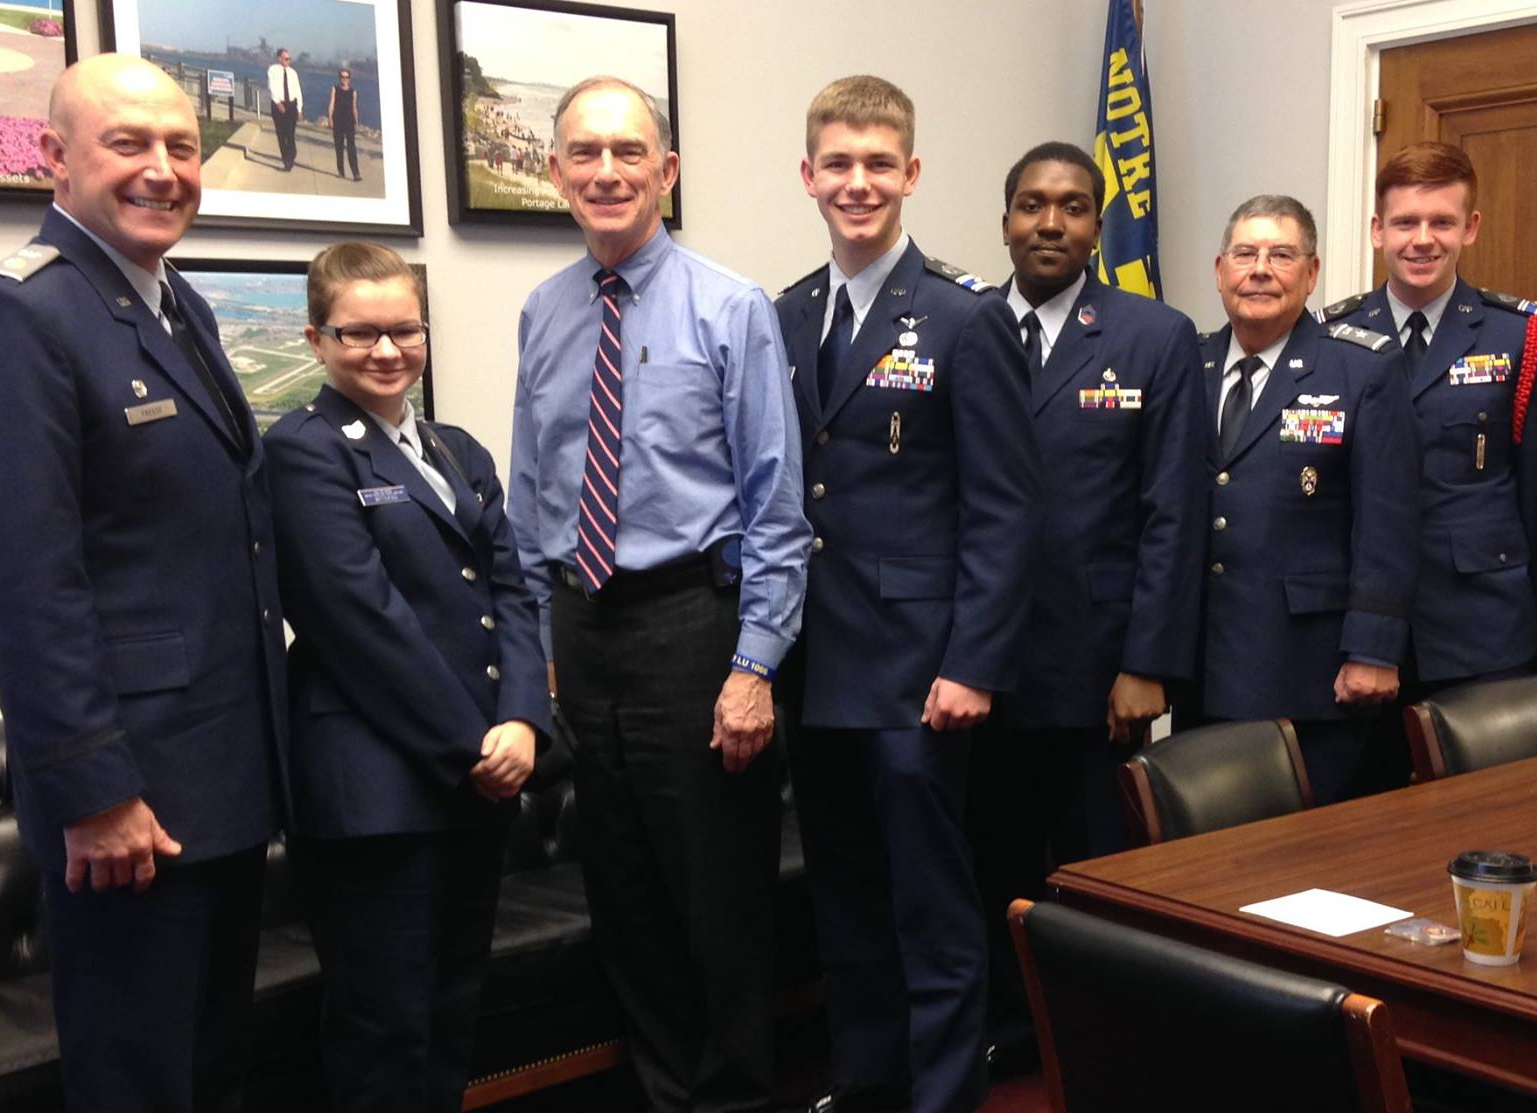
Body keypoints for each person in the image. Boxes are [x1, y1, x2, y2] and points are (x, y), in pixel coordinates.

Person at [0, 54, 284, 1112]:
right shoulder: (17, 316)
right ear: (54, 157)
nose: (163, 169)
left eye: (182, 145)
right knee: (137, 1081)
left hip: (217, 778)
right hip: (128, 803)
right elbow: (25, 581)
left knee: (211, 1065)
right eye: (129, 144)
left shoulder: (178, 308)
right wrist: (95, 791)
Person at [507, 75, 809, 1113]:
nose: (605, 171)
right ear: (555, 173)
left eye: (627, 153)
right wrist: (538, 637)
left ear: (665, 171)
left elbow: (776, 507)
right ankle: (665, 1094)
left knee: (716, 900)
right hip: (582, 629)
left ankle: (730, 1098)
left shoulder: (732, 308)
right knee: (623, 893)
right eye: (583, 154)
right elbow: (532, 488)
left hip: (694, 628)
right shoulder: (542, 313)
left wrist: (753, 667)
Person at [774, 75, 1041, 1113]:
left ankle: (938, 1098)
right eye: (836, 163)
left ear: (912, 174)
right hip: (817, 663)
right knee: (844, 902)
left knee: (930, 908)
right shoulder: (786, 313)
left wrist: (971, 663)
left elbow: (1007, 511)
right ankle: (866, 1082)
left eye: (877, 163)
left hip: (919, 670)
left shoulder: (964, 317)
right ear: (807, 176)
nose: (857, 183)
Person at [264, 242, 547, 1113]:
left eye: (404, 330)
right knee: (384, 1023)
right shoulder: (302, 450)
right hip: (377, 792)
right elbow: (360, 621)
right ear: (317, 338)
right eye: (360, 333)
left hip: (479, 775)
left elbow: (516, 585)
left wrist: (525, 719)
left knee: (454, 1002)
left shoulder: (455, 449)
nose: (387, 351)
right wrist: (475, 742)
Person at [968, 140, 1205, 1074]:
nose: (1050, 223)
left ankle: (1097, 1045)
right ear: (1006, 222)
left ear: (1098, 227)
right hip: (979, 662)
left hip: (1098, 665)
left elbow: (1173, 511)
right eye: (1031, 205)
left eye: (1070, 207)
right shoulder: (965, 323)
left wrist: (1147, 661)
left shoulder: (1153, 334)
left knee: (1092, 866)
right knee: (990, 857)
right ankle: (1009, 1031)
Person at [1318, 143, 1537, 714]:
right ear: (1377, 230)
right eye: (1405, 222)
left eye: (1442, 222)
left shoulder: (1519, 336)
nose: (1422, 239)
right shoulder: (1328, 338)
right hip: (1352, 626)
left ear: (1471, 228)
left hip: (1479, 623)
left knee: (1483, 801)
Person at [1195, 195, 1419, 806]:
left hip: (1311, 669)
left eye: (1281, 255)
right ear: (1220, 270)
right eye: (1245, 254)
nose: (1260, 269)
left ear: (1312, 273)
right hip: (1203, 663)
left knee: (1304, 865)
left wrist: (1374, 649)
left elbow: (1389, 521)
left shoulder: (1359, 368)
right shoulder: (1189, 363)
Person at [267, 48, 302, 171]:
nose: (288, 61)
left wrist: (299, 109)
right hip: (279, 105)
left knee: (290, 134)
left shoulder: (293, 73)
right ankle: (286, 161)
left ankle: (291, 155)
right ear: (279, 58)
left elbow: (298, 91)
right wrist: (278, 103)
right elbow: (272, 87)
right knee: (281, 135)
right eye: (286, 58)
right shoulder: (273, 70)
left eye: (289, 59)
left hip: (292, 105)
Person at [327, 68, 359, 180]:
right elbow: (331, 104)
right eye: (342, 77)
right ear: (339, 78)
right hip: (338, 121)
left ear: (350, 79)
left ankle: (356, 173)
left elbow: (354, 108)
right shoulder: (335, 89)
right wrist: (330, 118)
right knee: (339, 147)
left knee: (351, 148)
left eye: (346, 77)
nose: (344, 79)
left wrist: (356, 122)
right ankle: (341, 172)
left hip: (349, 121)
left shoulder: (353, 92)